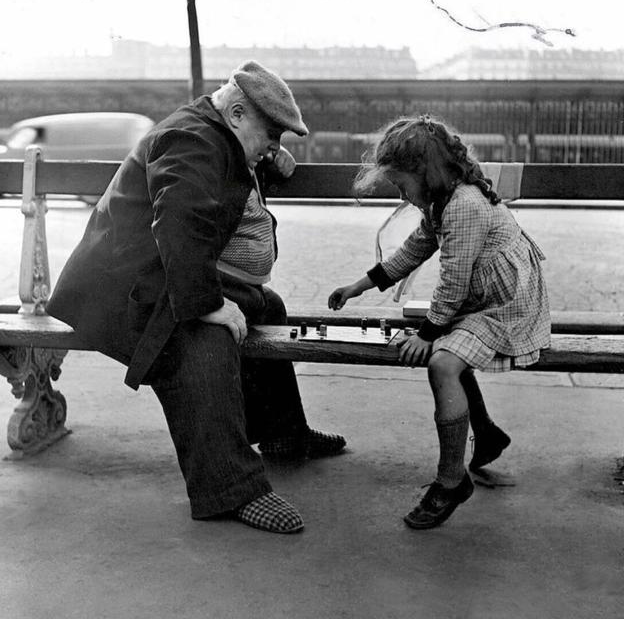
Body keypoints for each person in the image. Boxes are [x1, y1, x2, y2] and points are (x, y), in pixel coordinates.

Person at [46, 61, 346, 534]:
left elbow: (219, 184)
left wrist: (265, 162)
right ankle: (230, 488)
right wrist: (209, 305)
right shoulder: (190, 140)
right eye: (273, 134)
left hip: (158, 273)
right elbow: (180, 227)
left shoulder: (217, 133)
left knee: (266, 307)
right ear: (238, 112)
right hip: (124, 290)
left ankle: (283, 434)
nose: (276, 144)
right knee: (199, 343)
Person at [328, 115, 550, 529]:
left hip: (507, 306)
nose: (400, 193)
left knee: (443, 363)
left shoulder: (464, 206)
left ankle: (451, 482)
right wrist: (359, 285)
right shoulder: (439, 200)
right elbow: (414, 250)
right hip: (483, 297)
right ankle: (483, 433)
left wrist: (427, 333)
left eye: (400, 184)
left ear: (423, 172)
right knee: (449, 348)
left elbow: (452, 283)